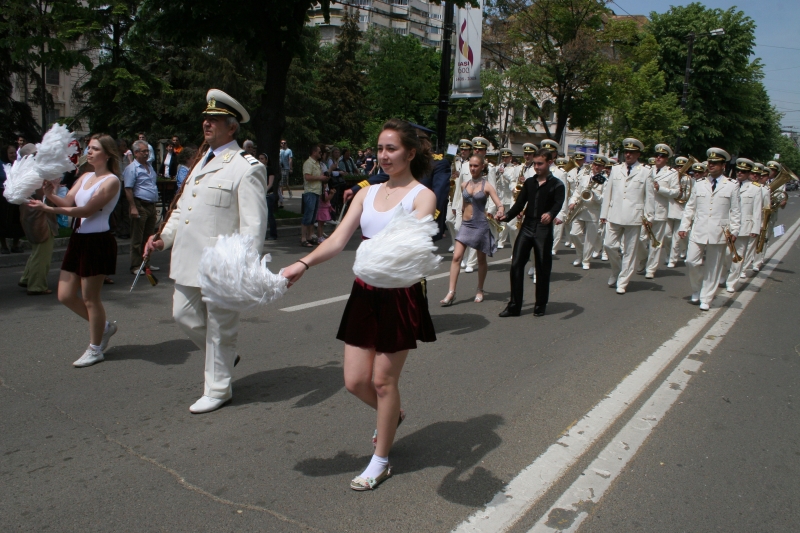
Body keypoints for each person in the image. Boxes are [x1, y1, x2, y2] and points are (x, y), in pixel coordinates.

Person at [281, 118, 437, 491]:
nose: (384, 156)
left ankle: (380, 461)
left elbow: (412, 248)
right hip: (365, 292)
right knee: (354, 381)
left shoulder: (422, 195)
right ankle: (393, 414)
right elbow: (337, 240)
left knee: (383, 381)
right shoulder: (367, 193)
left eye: (392, 149)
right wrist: (302, 264)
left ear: (410, 153)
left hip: (400, 294)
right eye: (380, 149)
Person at [144, 88, 268, 414]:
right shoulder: (201, 162)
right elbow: (184, 210)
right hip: (188, 259)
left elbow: (253, 226)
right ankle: (225, 357)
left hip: (221, 264)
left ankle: (218, 388)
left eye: (214, 119)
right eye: (205, 119)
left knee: (220, 329)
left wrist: (244, 265)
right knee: (182, 315)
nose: (206, 124)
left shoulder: (246, 167)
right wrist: (163, 238)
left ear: (232, 127)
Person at [27, 134, 122, 366]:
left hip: (97, 242)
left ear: (107, 154)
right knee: (65, 295)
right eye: (88, 148)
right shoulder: (86, 175)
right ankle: (104, 328)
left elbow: (86, 211)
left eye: (95, 149)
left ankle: (95, 347)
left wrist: (48, 209)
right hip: (79, 240)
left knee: (91, 298)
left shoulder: (111, 181)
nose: (89, 152)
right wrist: (50, 195)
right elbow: (69, 202)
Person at [497, 148, 565, 317]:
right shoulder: (529, 182)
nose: (536, 167)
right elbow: (519, 204)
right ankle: (514, 306)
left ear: (550, 163)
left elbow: (558, 204)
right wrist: (506, 216)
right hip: (527, 226)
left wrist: (550, 214)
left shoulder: (557, 184)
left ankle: (540, 304)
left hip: (543, 229)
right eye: (534, 163)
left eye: (540, 163)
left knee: (542, 266)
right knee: (516, 264)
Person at [678, 148, 741, 311]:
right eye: (710, 163)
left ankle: (706, 297)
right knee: (691, 261)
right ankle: (697, 288)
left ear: (723, 166)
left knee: (713, 267)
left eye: (715, 163)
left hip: (719, 231)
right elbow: (690, 207)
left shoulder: (731, 185)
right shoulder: (699, 184)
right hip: (698, 229)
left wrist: (734, 231)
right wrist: (684, 226)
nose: (711, 165)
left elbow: (735, 210)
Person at [441, 154, 504, 306]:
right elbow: (464, 205)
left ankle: (480, 289)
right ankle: (451, 292)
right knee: (456, 257)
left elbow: (499, 203)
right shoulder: (464, 185)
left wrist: (500, 211)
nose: (473, 168)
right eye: (471, 166)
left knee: (481, 260)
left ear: (482, 166)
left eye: (476, 166)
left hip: (480, 225)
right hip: (466, 225)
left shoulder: (487, 185)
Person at [600, 138, 655, 295]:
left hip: (634, 215)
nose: (628, 155)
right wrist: (604, 214)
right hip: (614, 213)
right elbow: (608, 192)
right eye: (626, 152)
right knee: (609, 245)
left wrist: (649, 217)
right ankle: (616, 271)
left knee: (630, 252)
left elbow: (649, 197)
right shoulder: (616, 169)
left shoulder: (645, 171)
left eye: (632, 152)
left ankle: (623, 281)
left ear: (638, 154)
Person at [642, 143, 680, 278]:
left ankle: (651, 269)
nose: (658, 158)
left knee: (655, 242)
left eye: (662, 156)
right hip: (644, 211)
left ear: (666, 159)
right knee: (641, 240)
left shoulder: (672, 173)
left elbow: (676, 192)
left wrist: (660, 189)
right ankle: (643, 261)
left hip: (659, 211)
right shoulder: (646, 169)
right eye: (657, 155)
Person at [724, 158, 762, 291]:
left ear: (749, 173)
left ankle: (732, 282)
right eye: (738, 170)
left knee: (738, 256)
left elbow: (757, 211)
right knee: (725, 254)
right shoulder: (729, 184)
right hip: (728, 225)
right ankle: (724, 274)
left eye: (744, 171)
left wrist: (756, 228)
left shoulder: (755, 189)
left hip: (745, 226)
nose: (740, 173)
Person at [124, 140, 160, 274]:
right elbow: (128, 189)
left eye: (147, 151)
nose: (146, 154)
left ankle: (146, 263)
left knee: (149, 236)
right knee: (137, 237)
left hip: (151, 204)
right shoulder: (132, 168)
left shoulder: (149, 166)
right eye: (144, 151)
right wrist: (133, 207)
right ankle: (135, 265)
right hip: (140, 204)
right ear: (136, 153)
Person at [567, 155, 607, 270]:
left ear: (603, 167)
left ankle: (586, 260)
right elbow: (577, 192)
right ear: (592, 165)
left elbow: (603, 199)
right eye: (595, 165)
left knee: (590, 239)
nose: (597, 167)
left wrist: (593, 194)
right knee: (574, 234)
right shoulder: (584, 177)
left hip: (594, 212)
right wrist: (572, 202)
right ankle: (580, 255)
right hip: (580, 210)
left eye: (600, 166)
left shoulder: (605, 181)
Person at [19, 184, 58, 295]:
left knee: (38, 251)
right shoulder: (41, 179)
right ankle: (36, 286)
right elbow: (49, 198)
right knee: (42, 254)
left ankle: (27, 278)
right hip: (40, 218)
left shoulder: (27, 176)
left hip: (30, 216)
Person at [539, 139, 569, 255]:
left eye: (550, 153)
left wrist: (561, 213)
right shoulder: (534, 169)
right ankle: (535, 265)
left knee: (547, 241)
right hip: (537, 210)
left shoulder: (560, 173)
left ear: (555, 154)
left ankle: (540, 268)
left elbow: (563, 195)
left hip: (552, 210)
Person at [446, 139, 473, 253]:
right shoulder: (455, 163)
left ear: (470, 151)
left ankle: (461, 246)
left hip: (464, 196)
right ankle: (454, 242)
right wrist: (451, 176)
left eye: (466, 150)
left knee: (460, 225)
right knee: (448, 220)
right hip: (453, 195)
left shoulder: (471, 164)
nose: (463, 151)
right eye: (462, 149)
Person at [301, 145, 327, 247]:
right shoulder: (308, 163)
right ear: (314, 152)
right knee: (308, 214)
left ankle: (310, 236)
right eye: (319, 152)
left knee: (313, 217)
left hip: (317, 191)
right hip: (310, 192)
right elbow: (307, 177)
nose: (320, 154)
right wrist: (320, 178)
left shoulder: (317, 163)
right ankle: (303, 237)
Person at [1, 144, 25, 254]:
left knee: (17, 220)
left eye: (15, 153)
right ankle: (4, 246)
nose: (13, 155)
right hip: (2, 196)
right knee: (3, 221)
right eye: (11, 153)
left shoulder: (17, 164)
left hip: (16, 195)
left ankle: (15, 245)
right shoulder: (1, 164)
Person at [259, 152, 278, 240]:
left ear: (266, 160)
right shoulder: (257, 170)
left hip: (268, 195)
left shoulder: (269, 170)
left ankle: (273, 234)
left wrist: (264, 192)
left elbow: (270, 184)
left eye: (262, 158)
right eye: (259, 158)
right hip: (260, 195)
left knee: (269, 215)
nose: (260, 160)